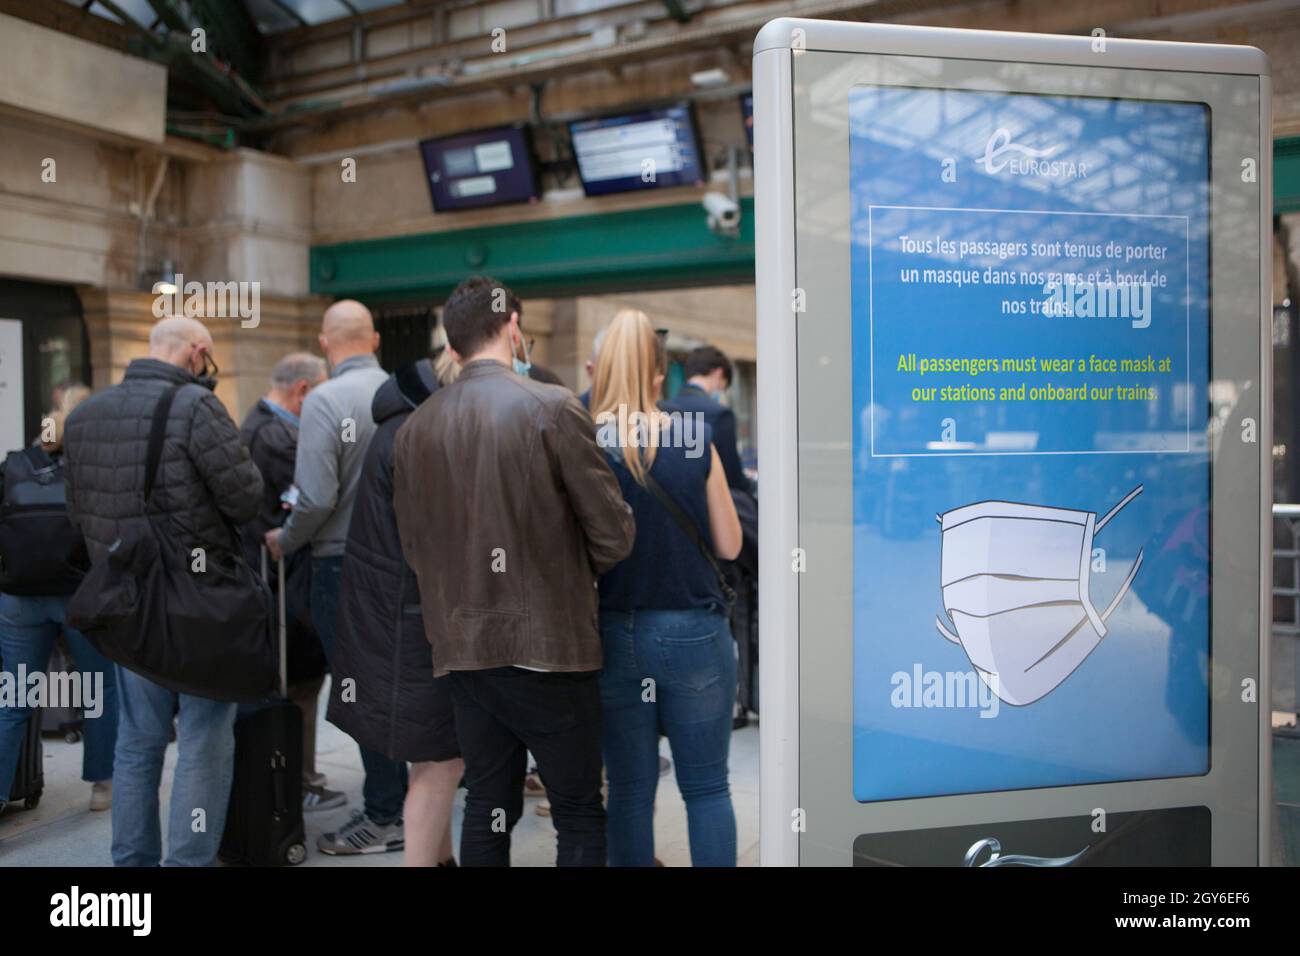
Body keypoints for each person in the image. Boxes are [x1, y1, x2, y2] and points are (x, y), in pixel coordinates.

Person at [392, 275, 634, 867]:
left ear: (451, 348)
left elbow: (415, 547)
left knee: (488, 804)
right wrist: (567, 571)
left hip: (464, 648)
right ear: (514, 330)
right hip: (551, 648)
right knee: (577, 808)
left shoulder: (414, 428)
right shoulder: (552, 407)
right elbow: (613, 532)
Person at [63, 316, 263, 867]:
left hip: (126, 604)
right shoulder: (196, 409)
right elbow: (245, 499)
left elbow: (76, 514)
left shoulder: (83, 416)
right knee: (203, 740)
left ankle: (132, 868)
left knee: (137, 742)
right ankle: (188, 863)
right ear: (197, 353)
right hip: (198, 605)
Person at [590, 310, 742, 867]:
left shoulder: (586, 442)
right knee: (706, 789)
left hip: (611, 633)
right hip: (692, 633)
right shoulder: (694, 437)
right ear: (661, 376)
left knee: (629, 790)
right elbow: (728, 545)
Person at [263, 300, 400, 856]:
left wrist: (285, 539)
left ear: (325, 343)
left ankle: (387, 813)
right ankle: (406, 801)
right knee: (395, 686)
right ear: (375, 341)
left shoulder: (324, 399)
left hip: (343, 565)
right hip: (402, 564)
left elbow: (316, 497)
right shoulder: (404, 393)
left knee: (362, 694)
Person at [328, 357, 464, 866]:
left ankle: (442, 858)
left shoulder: (399, 426)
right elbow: (433, 543)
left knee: (436, 757)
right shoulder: (420, 436)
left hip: (395, 620)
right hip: (414, 626)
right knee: (442, 760)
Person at [0, 385, 119, 813]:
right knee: (100, 690)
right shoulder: (95, 470)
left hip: (18, 598)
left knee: (14, 698)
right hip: (81, 596)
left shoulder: (15, 465)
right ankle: (102, 786)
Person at [239, 352, 343, 813]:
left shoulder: (260, 425)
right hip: (285, 584)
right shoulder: (276, 437)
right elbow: (305, 505)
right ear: (303, 390)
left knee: (298, 685)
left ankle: (297, 779)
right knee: (298, 687)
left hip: (280, 584)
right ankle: (298, 781)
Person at [669, 346, 749, 493]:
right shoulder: (720, 414)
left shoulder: (662, 410)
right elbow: (733, 478)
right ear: (719, 374)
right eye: (723, 386)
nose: (720, 392)